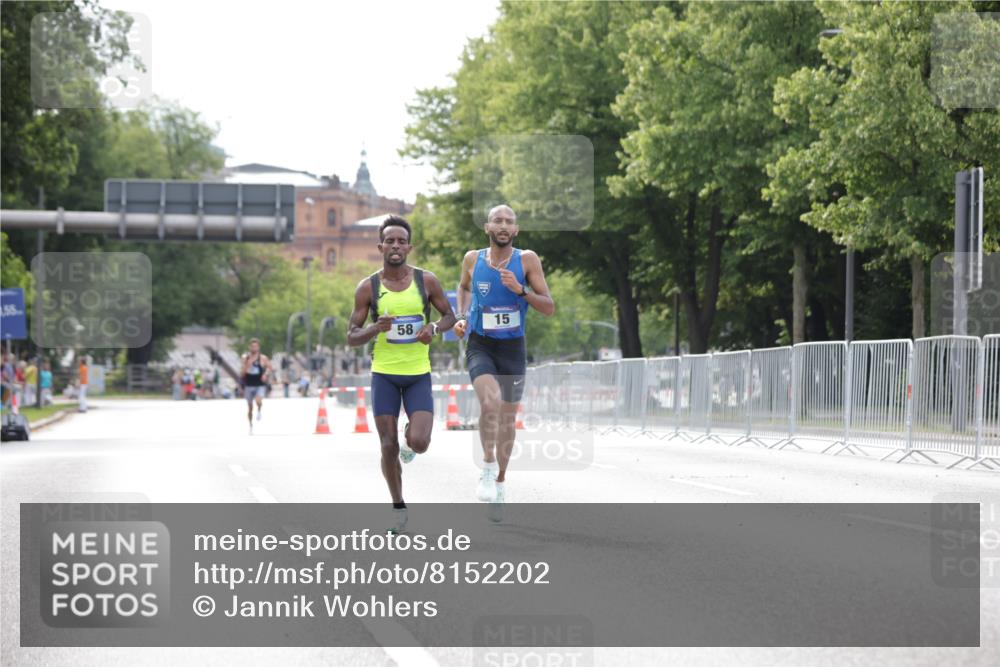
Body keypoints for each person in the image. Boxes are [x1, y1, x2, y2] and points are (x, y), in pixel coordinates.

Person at [347, 215, 456, 533]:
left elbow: (450, 315)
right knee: (387, 445)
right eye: (389, 241)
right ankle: (398, 506)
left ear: (409, 246)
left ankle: (412, 443)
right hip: (384, 374)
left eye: (401, 241)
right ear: (380, 246)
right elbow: (351, 336)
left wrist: (433, 327)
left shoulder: (427, 281)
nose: (395, 246)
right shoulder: (368, 287)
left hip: (418, 373)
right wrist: (373, 329)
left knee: (419, 442)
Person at [454, 205, 554, 519]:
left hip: (512, 347)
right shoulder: (473, 258)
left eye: (509, 222)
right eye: (497, 220)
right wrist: (462, 317)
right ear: (487, 227)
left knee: (508, 420)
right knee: (490, 402)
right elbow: (464, 287)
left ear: (515, 231)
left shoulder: (527, 260)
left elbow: (548, 307)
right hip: (481, 344)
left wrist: (520, 290)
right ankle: (486, 466)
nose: (503, 225)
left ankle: (499, 482)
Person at [240, 339, 272, 434]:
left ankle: (259, 409)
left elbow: (270, 367)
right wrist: (247, 365)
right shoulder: (245, 358)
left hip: (259, 384)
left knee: (258, 400)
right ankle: (250, 425)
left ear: (258, 347)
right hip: (249, 384)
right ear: (249, 347)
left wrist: (266, 374)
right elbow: (242, 372)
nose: (254, 348)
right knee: (250, 407)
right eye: (252, 346)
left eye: (256, 346)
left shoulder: (262, 358)